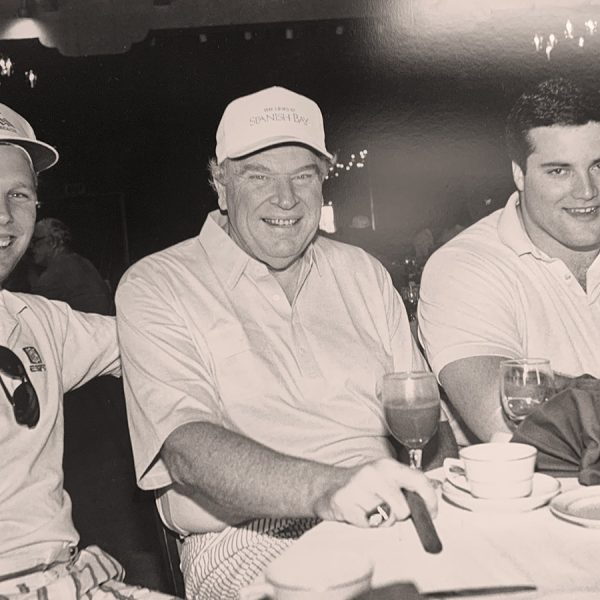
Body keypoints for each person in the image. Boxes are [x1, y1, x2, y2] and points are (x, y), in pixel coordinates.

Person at [116, 86, 448, 600]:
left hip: (387, 504)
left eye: (303, 176)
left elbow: (423, 413)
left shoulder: (361, 272)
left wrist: (444, 489)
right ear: (220, 184)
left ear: (323, 181)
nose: (286, 199)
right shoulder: (158, 284)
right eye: (259, 176)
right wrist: (330, 489)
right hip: (245, 534)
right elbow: (186, 451)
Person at [0, 103, 178, 600]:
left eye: (18, 194)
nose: (3, 215)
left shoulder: (36, 320)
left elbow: (154, 341)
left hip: (61, 576)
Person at [418, 77, 600, 444]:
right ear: (519, 173)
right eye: (559, 171)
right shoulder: (463, 267)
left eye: (599, 165)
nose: (587, 190)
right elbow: (508, 422)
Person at [28, 217, 113, 315]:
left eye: (35, 241)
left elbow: (31, 308)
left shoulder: (59, 269)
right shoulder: (81, 262)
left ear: (52, 242)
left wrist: (27, 268)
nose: (31, 247)